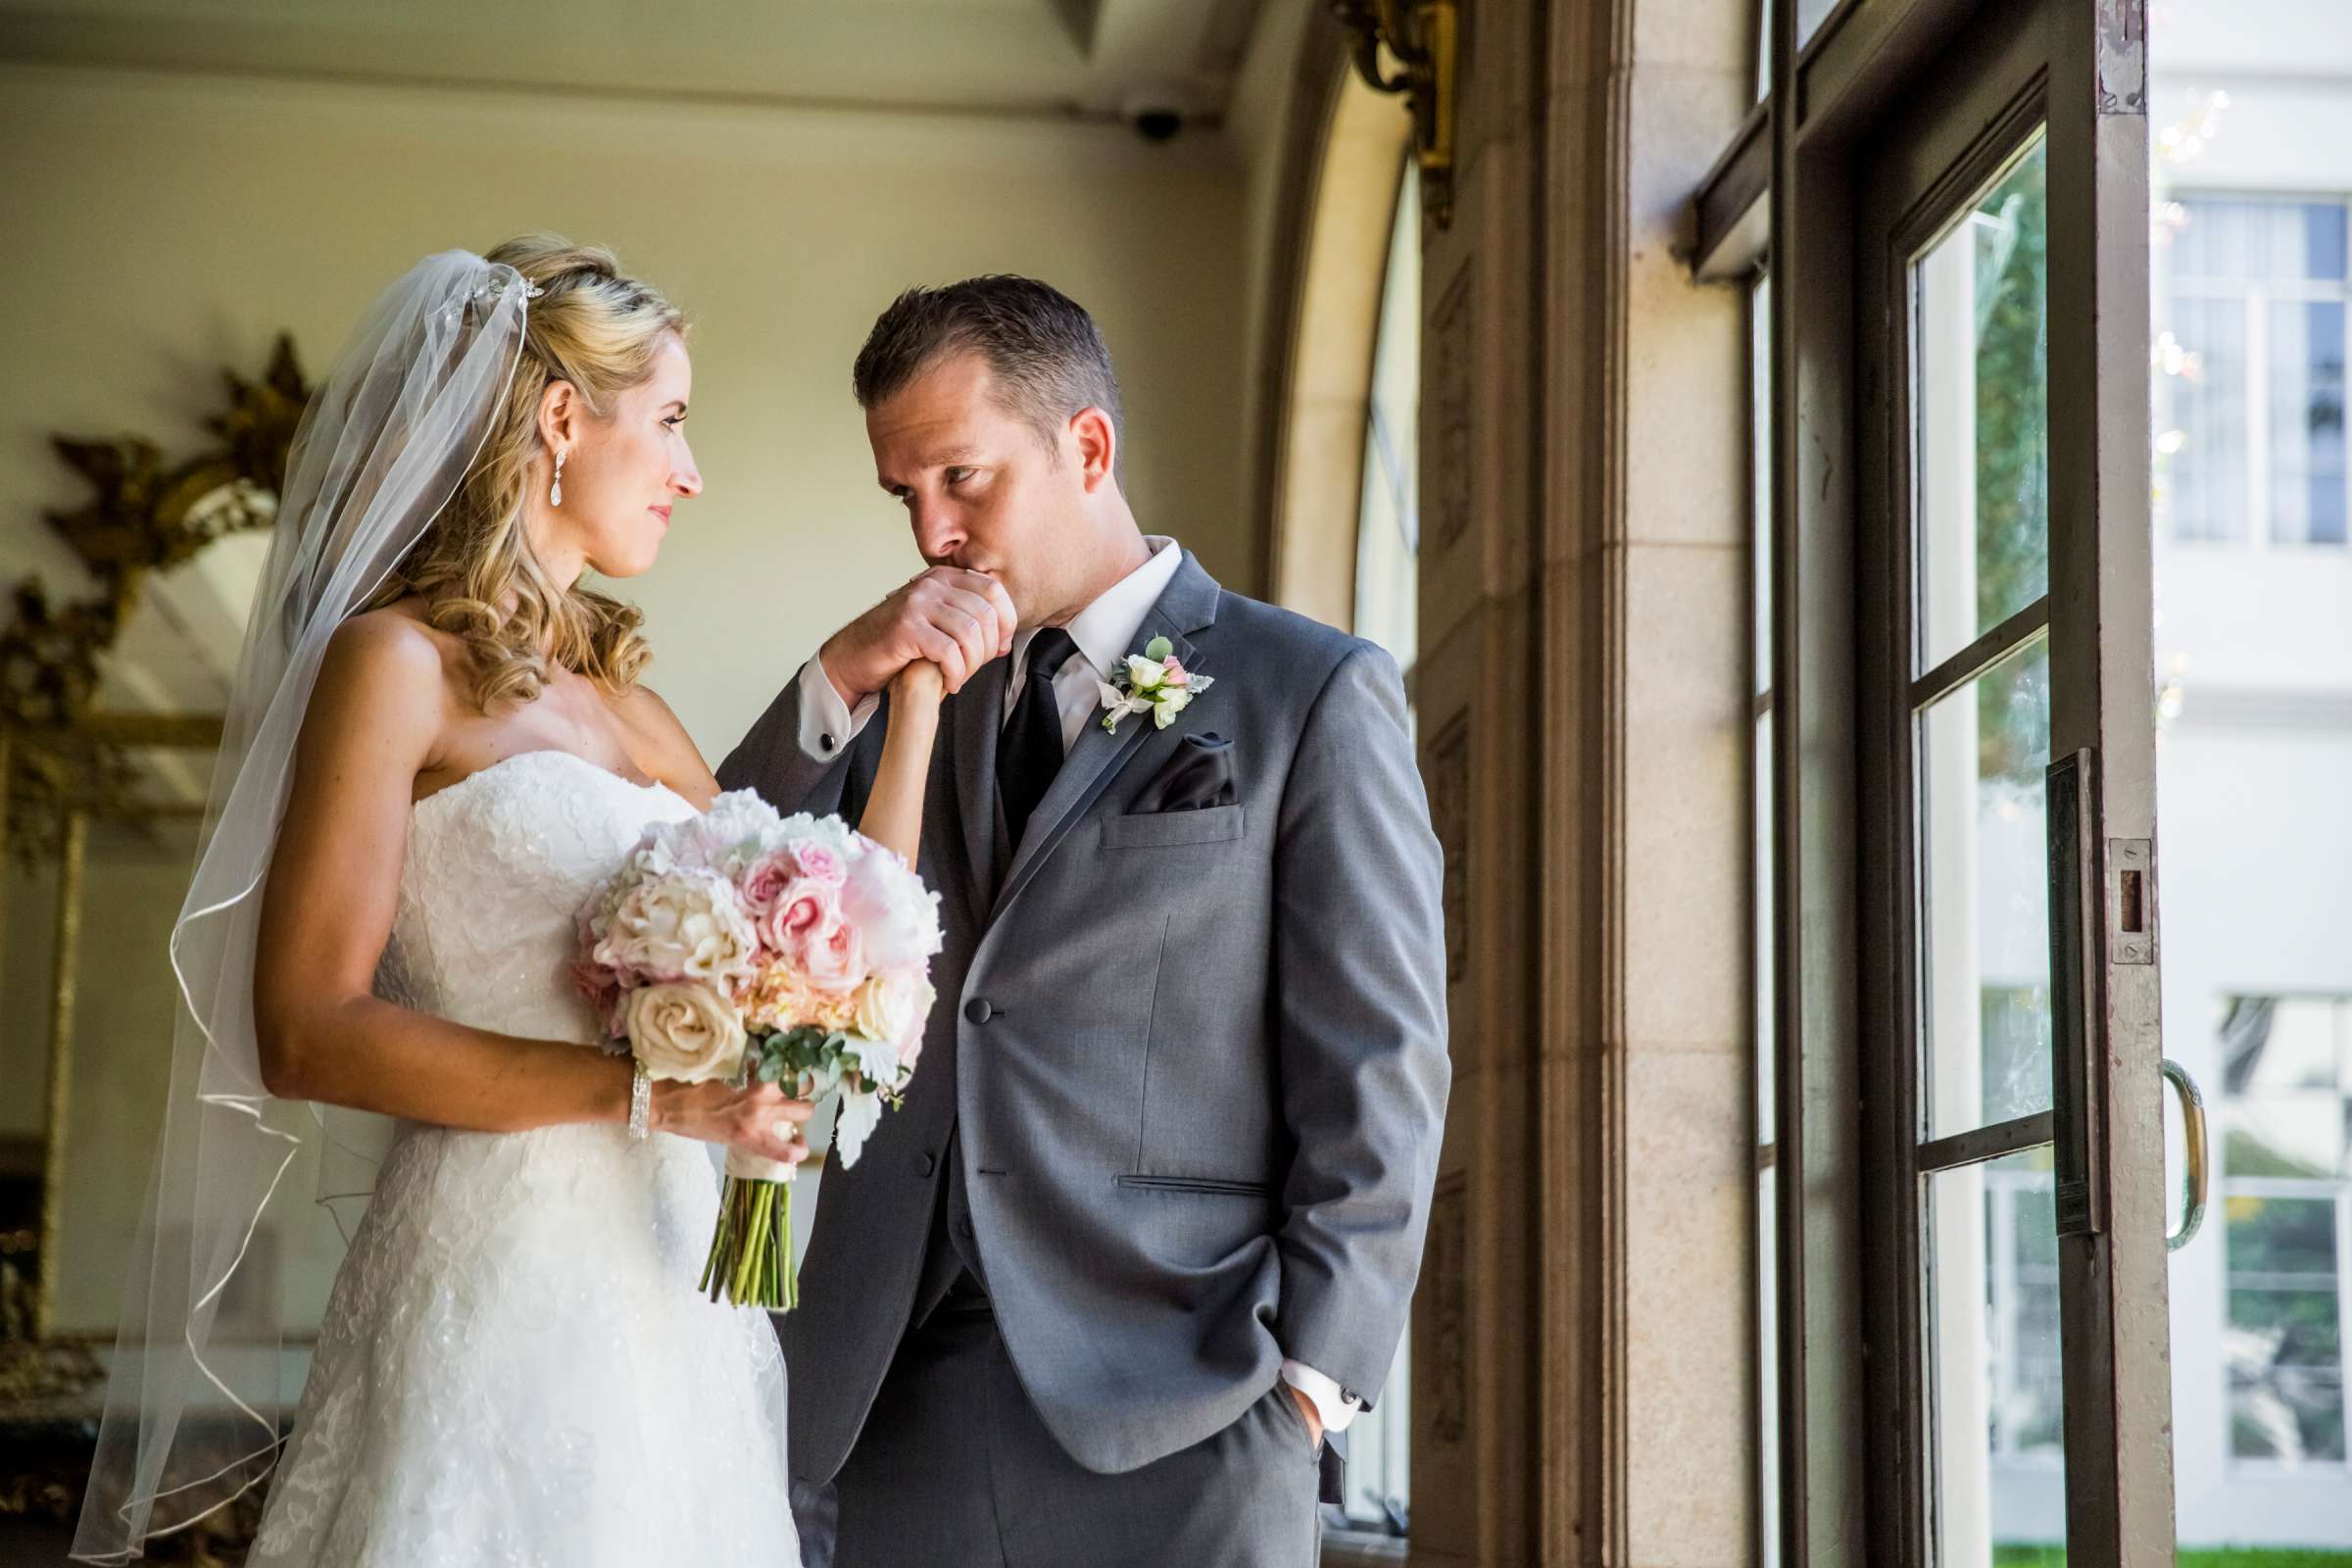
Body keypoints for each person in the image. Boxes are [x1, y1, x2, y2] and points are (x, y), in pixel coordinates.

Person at [720, 274, 1451, 1567]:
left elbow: (1380, 1065)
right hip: (893, 1390)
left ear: (1088, 448)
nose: (933, 532)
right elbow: (713, 883)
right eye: (906, 497)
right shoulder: (915, 688)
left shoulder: (1308, 691)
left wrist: (1313, 1386)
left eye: (962, 480)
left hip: (1186, 1400)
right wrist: (843, 670)